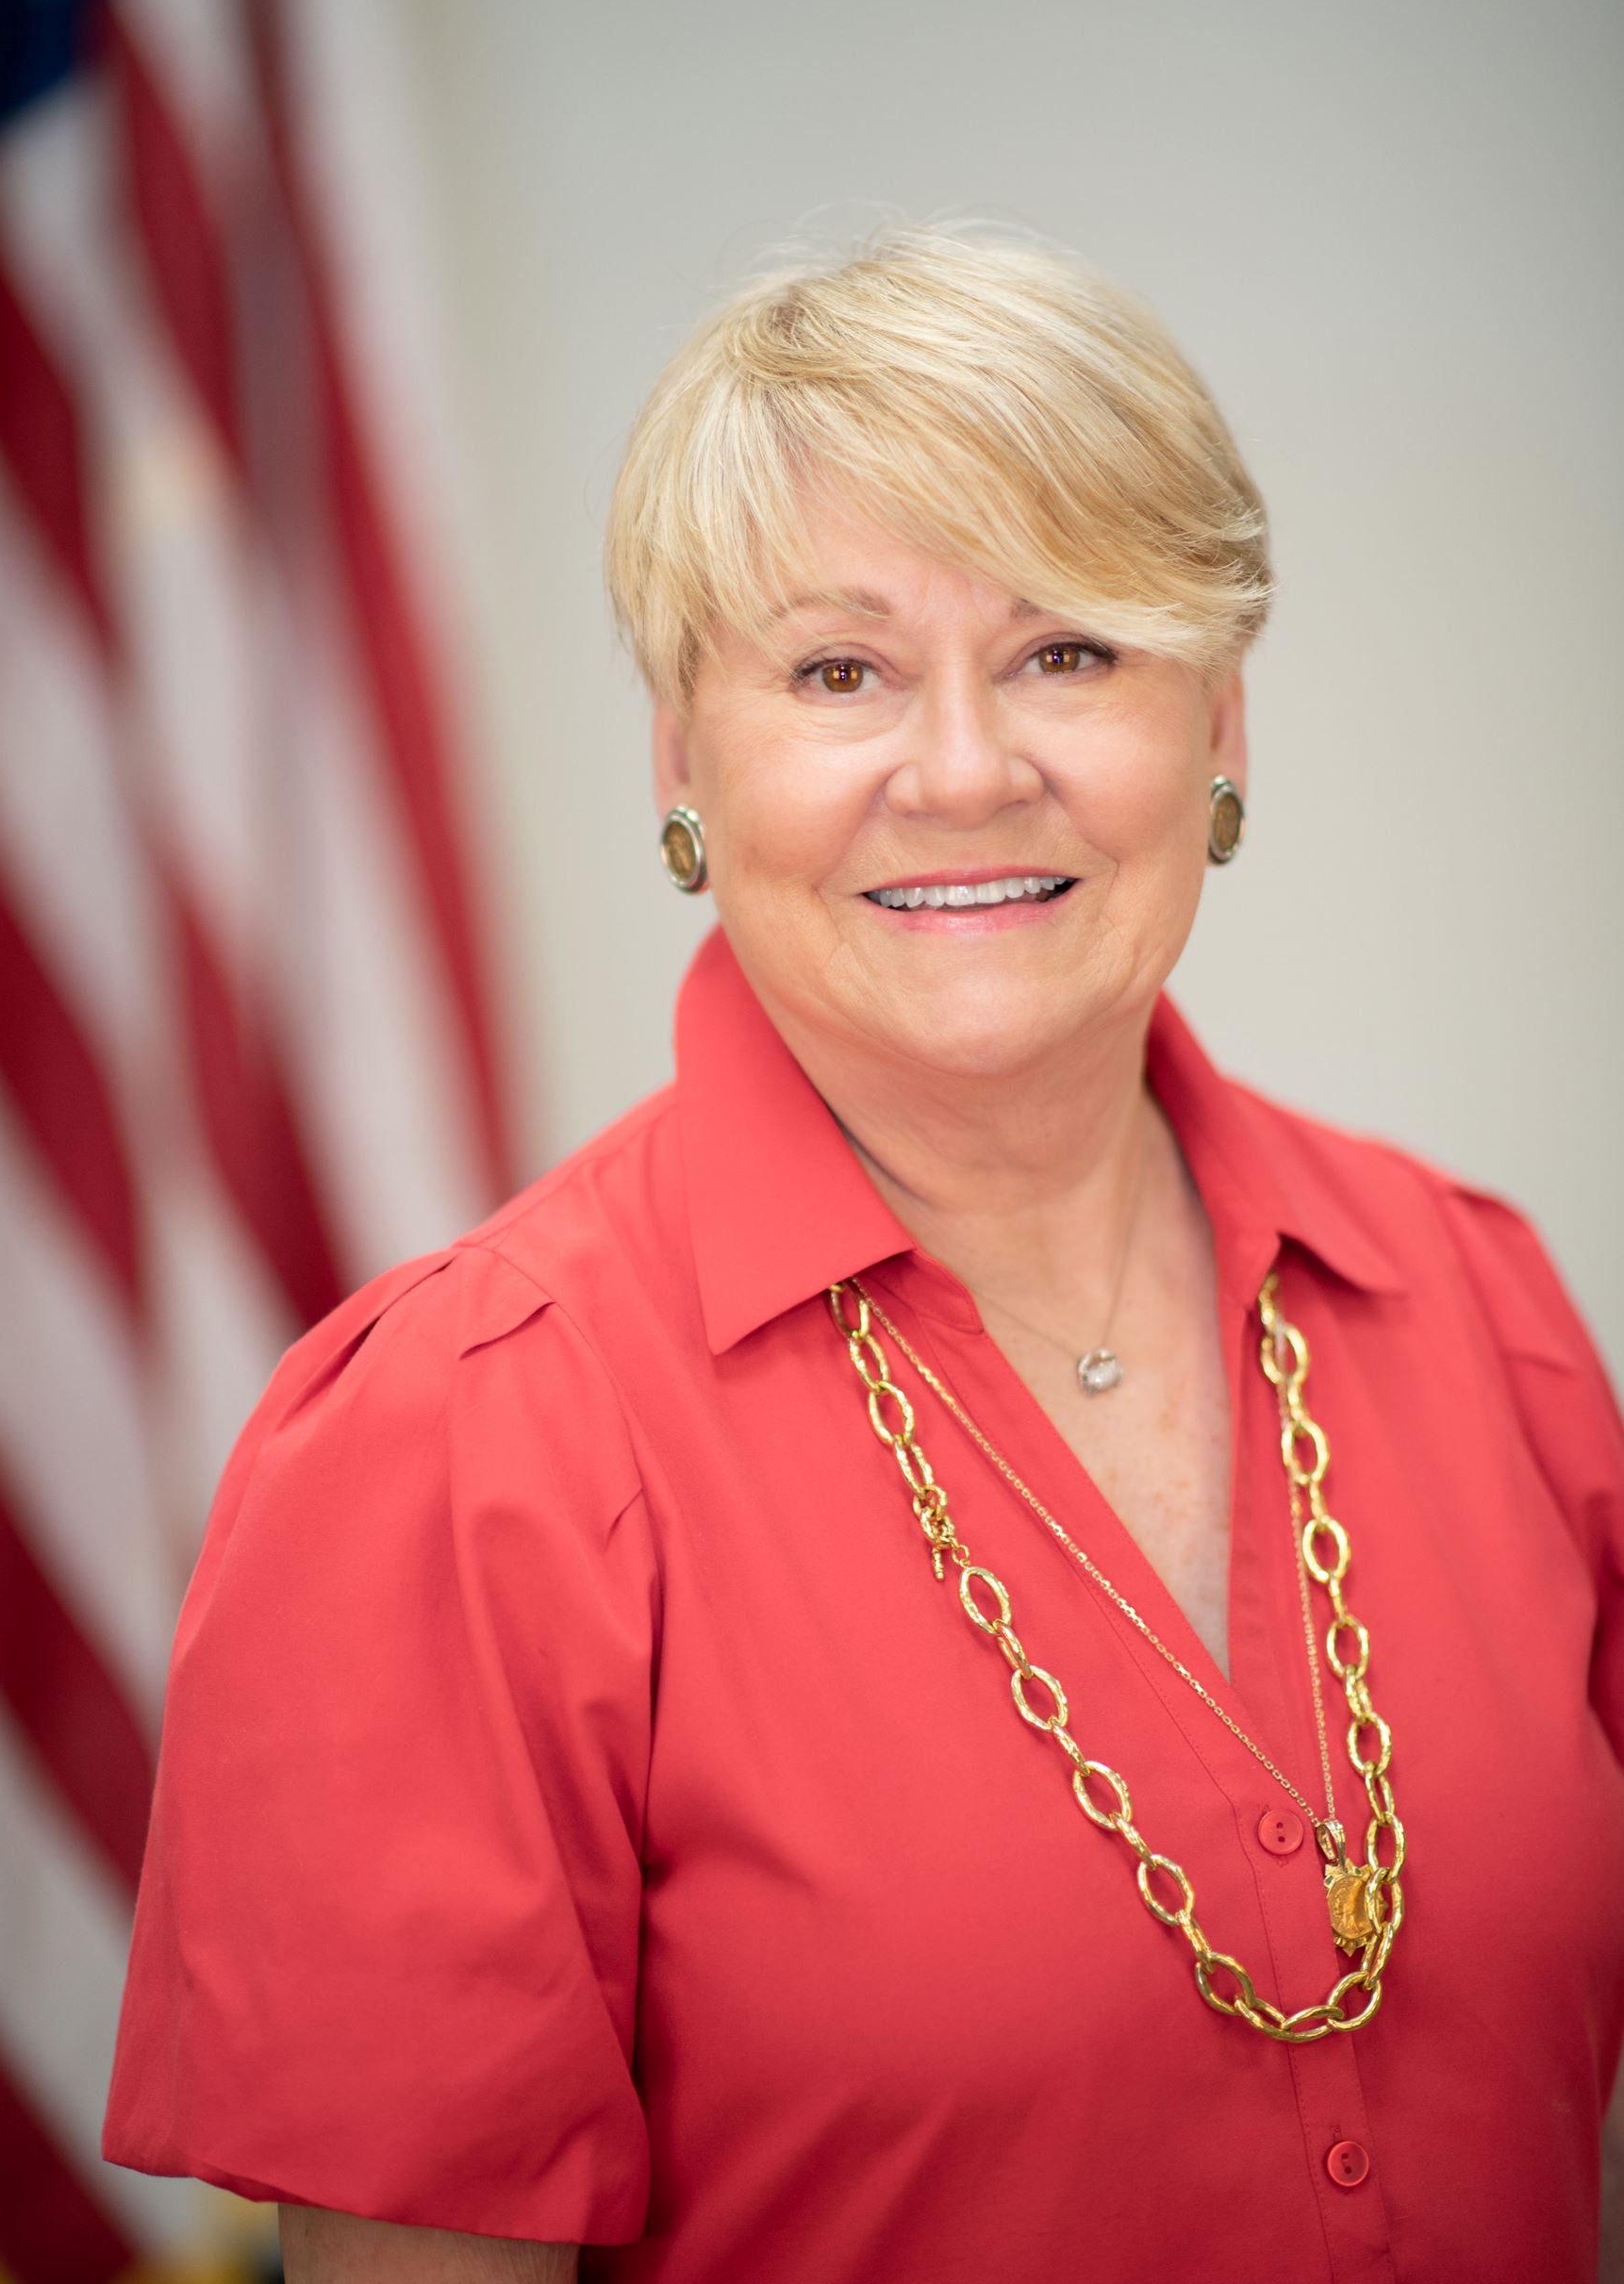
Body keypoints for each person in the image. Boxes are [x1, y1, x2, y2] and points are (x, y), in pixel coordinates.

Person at [102, 226, 1624, 2283]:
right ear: (682, 760)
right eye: (840, 672)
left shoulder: (1474, 1305)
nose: (970, 769)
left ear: (1221, 722)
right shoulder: (453, 1450)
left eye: (1069, 649)